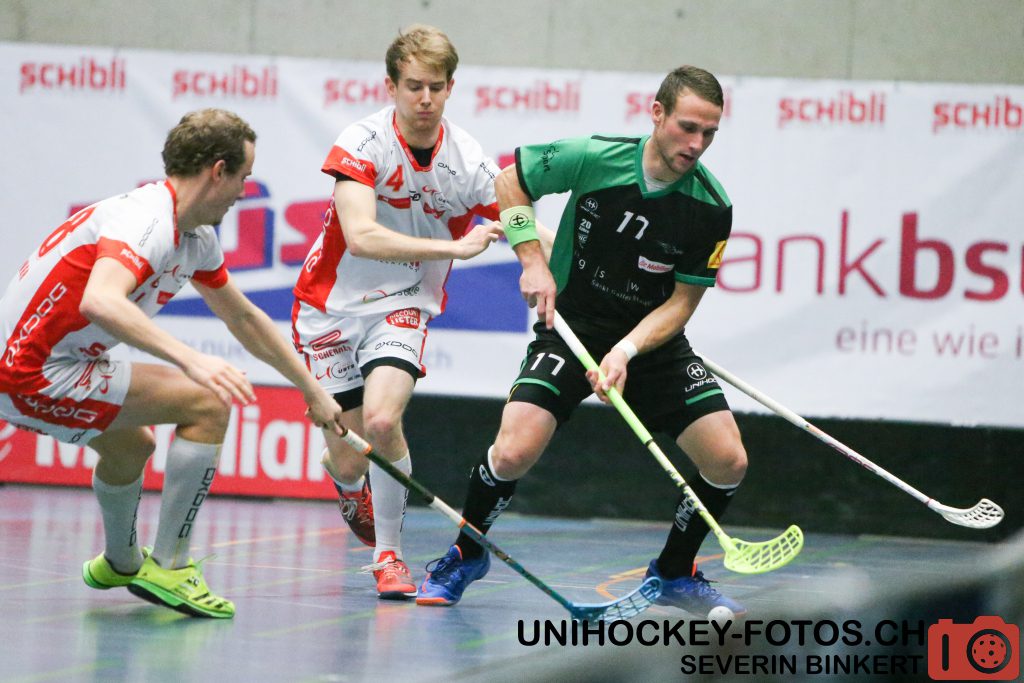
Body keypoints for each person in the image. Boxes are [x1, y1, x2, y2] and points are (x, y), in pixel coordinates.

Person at [417, 66, 748, 617]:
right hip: (571, 327)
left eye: (709, 133)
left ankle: (674, 571)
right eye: (688, 128)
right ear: (657, 113)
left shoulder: (711, 207)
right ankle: (466, 553)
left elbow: (681, 304)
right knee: (513, 450)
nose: (696, 144)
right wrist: (532, 261)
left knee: (728, 460)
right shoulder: (596, 157)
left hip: (649, 344)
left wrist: (626, 351)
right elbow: (509, 182)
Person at [0, 109, 346, 619]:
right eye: (244, 178)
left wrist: (311, 390)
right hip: (30, 371)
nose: (244, 192)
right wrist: (192, 360)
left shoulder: (194, 237)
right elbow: (101, 301)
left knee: (131, 446)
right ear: (218, 171)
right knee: (207, 402)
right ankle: (171, 565)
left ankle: (121, 562)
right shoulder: (148, 222)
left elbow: (244, 318)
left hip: (48, 364)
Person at [291, 24, 502, 600]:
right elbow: (360, 236)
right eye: (413, 86)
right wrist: (454, 249)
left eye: (436, 87)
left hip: (403, 302)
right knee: (349, 456)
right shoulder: (363, 142)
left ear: (450, 87)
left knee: (383, 423)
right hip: (328, 309)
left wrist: (544, 258)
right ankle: (345, 483)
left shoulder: (467, 158)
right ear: (391, 86)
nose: (425, 99)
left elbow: (516, 212)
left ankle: (389, 554)